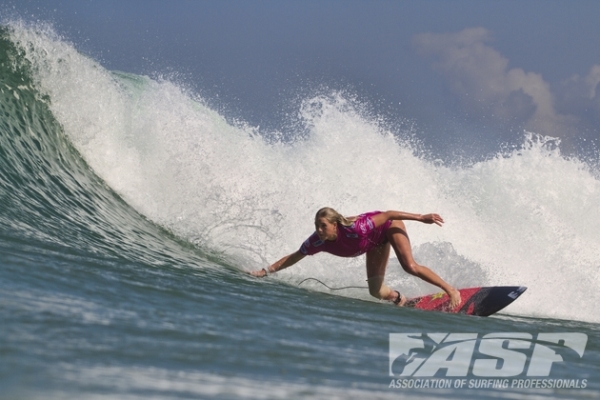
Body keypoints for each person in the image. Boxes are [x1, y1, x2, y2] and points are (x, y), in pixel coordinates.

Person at [250, 207, 462, 309]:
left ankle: (451, 290)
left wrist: (421, 217)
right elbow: (294, 257)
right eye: (317, 226)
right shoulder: (317, 241)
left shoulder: (356, 228)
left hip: (389, 228)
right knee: (376, 291)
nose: (319, 230)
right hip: (375, 243)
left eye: (323, 226)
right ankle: (401, 299)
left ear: (335, 225)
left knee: (410, 266)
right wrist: (265, 271)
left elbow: (388, 215)